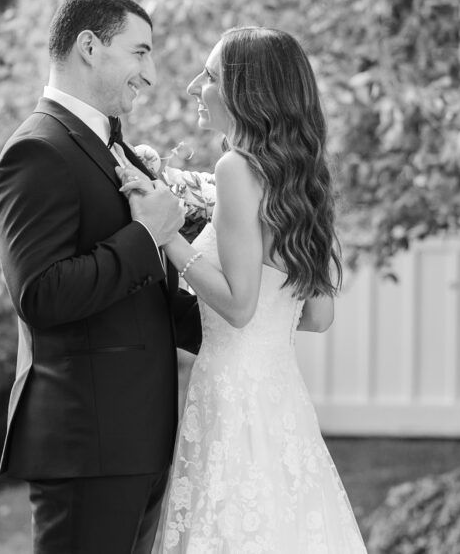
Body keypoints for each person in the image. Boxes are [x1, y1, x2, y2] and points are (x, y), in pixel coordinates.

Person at [118, 27, 368, 552]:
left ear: (245, 91)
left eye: (209, 76)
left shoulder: (237, 169)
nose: (193, 87)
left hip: (232, 389)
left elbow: (237, 305)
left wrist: (168, 237)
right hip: (280, 393)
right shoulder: (304, 177)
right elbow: (318, 316)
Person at [0, 0, 202, 554]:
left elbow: (138, 297)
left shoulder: (115, 150)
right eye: (139, 52)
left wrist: (240, 312)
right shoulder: (38, 151)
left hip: (137, 440)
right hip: (88, 444)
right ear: (89, 46)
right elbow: (42, 293)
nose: (150, 73)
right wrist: (148, 232)